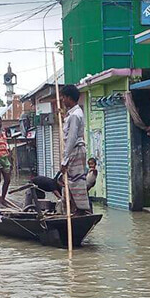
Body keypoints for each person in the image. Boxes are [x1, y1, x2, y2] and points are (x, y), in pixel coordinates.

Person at [59, 84, 92, 214]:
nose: (62, 100)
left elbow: (72, 138)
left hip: (75, 150)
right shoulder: (72, 114)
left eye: (64, 97)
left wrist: (65, 160)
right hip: (74, 150)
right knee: (70, 181)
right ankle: (71, 210)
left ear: (69, 98)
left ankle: (81, 210)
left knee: (76, 181)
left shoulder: (75, 115)